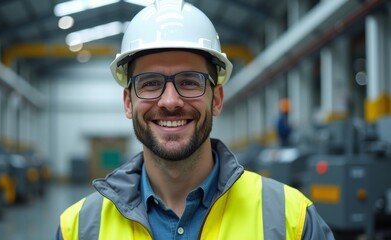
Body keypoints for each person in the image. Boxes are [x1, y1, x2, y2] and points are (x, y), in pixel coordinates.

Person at [56, 0, 335, 239]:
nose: (170, 101)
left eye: (189, 82)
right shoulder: (79, 228)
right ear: (128, 102)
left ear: (217, 99)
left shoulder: (292, 221)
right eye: (150, 83)